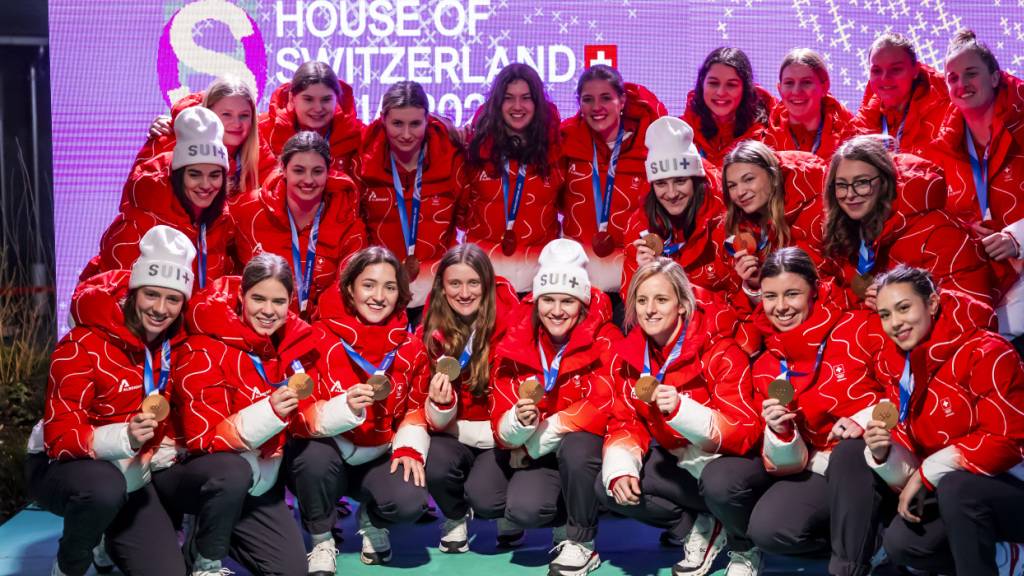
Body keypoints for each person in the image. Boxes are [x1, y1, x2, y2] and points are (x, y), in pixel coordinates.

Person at [701, 247, 887, 576]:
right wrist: (781, 434)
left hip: (876, 460)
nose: (781, 307)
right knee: (770, 530)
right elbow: (790, 464)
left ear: (814, 290)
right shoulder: (767, 365)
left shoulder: (859, 327)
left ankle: (854, 562)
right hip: (819, 467)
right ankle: (872, 541)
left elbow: (901, 392)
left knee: (850, 453)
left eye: (792, 294)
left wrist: (862, 420)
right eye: (770, 296)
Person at [29, 226, 194, 576]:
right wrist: (125, 436)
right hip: (62, 466)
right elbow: (59, 437)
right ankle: (69, 564)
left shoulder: (176, 347)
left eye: (173, 299)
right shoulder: (83, 342)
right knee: (103, 489)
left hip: (134, 476)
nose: (160, 309)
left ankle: (109, 535)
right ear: (133, 293)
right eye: (151, 294)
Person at [599, 257, 759, 576]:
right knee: (610, 485)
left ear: (683, 305)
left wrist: (682, 410)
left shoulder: (721, 349)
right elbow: (625, 422)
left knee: (719, 483)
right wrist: (620, 470)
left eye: (661, 299)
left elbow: (745, 430)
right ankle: (698, 528)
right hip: (683, 466)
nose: (650, 310)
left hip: (731, 465)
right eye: (642, 301)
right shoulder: (630, 358)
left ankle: (745, 547)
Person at [865, 265, 1024, 576]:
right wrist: (884, 454)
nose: (894, 323)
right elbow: (912, 445)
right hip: (957, 489)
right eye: (885, 315)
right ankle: (1007, 557)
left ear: (933, 304)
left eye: (904, 308)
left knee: (957, 488)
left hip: (1013, 484)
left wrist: (928, 471)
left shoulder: (987, 351)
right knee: (903, 544)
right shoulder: (899, 366)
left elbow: (1007, 441)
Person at [172, 253, 318, 576]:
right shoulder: (204, 346)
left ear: (290, 302)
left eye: (278, 301)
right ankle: (205, 554)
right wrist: (270, 412)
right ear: (241, 295)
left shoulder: (293, 346)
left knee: (292, 571)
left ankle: (222, 532)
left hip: (260, 481)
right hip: (209, 474)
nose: (268, 311)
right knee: (231, 474)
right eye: (258, 298)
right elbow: (202, 438)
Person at [286, 246, 429, 572]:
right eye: (368, 285)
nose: (378, 296)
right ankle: (321, 539)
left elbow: (415, 408)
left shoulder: (411, 347)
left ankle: (373, 518)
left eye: (389, 287)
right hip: (327, 457)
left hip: (377, 455)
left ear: (400, 293)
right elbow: (299, 415)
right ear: (349, 289)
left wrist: (409, 447)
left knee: (411, 499)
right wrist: (343, 409)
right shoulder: (315, 338)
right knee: (311, 459)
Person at [486, 239, 617, 575]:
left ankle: (582, 541)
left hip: (582, 451)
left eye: (568, 301)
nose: (557, 311)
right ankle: (563, 514)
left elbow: (605, 403)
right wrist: (517, 423)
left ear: (582, 303)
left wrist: (536, 441)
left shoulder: (605, 336)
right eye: (548, 299)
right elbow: (499, 413)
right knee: (524, 510)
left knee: (578, 446)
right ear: (536, 300)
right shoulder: (517, 336)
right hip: (540, 453)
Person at [394, 243, 524, 552]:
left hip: (499, 436)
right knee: (436, 464)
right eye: (455, 283)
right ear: (442, 287)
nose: (464, 293)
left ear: (487, 285)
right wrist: (441, 404)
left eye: (473, 283)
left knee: (487, 499)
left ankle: (504, 511)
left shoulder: (514, 325)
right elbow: (428, 416)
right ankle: (454, 516)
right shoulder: (429, 331)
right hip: (452, 433)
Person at [821, 135, 1000, 308]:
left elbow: (971, 312)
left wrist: (896, 305)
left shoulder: (940, 234)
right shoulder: (847, 230)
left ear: (885, 182)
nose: (850, 194)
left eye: (861, 182)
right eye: (841, 185)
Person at [931, 29, 1024, 351]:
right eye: (952, 78)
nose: (961, 84)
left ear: (995, 77)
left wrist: (1018, 239)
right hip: (984, 288)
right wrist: (965, 229)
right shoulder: (942, 149)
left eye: (971, 74)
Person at [81, 106, 233, 289]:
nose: (206, 185)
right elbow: (113, 296)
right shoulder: (136, 226)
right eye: (194, 175)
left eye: (215, 175)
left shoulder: (220, 221)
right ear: (178, 175)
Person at [560, 65, 668, 318]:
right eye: (588, 99)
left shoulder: (649, 144)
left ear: (622, 101)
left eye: (606, 98)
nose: (597, 107)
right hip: (578, 280)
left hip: (631, 280)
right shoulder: (567, 141)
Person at [356, 81, 467, 314]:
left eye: (415, 124)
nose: (406, 134)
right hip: (380, 293)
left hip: (439, 294)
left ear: (428, 120)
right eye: (397, 123)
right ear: (383, 119)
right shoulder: (363, 159)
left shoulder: (452, 158)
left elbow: (466, 219)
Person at [230, 131, 365, 318]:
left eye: (317, 171)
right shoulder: (245, 210)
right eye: (299, 171)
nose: (308, 180)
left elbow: (348, 291)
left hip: (321, 327)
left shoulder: (347, 222)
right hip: (257, 324)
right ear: (283, 169)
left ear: (328, 172)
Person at [462, 63, 564, 294]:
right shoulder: (473, 148)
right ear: (497, 103)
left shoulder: (557, 150)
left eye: (526, 98)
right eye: (508, 98)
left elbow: (565, 203)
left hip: (540, 281)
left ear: (537, 103)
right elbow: (460, 209)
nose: (517, 106)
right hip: (483, 279)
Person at [621, 116, 735, 296]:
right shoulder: (639, 226)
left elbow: (739, 297)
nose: (672, 193)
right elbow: (631, 303)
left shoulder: (727, 217)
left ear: (695, 180)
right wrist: (643, 277)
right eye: (661, 184)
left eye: (680, 181)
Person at [721, 140, 829, 306]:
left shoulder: (816, 214)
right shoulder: (738, 228)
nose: (740, 192)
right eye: (732, 186)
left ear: (773, 177)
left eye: (749, 179)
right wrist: (754, 284)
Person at [137, 75, 271, 198]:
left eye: (244, 115)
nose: (237, 124)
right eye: (226, 114)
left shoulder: (259, 152)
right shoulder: (168, 140)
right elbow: (140, 194)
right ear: (207, 112)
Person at [853, 33, 950, 156]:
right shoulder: (867, 118)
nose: (885, 78)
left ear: (915, 70)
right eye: (876, 70)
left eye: (896, 69)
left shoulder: (947, 111)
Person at [259, 61, 363, 175]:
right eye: (308, 99)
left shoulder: (359, 136)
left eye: (326, 99)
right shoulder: (262, 132)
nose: (318, 108)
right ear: (292, 98)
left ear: (337, 99)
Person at [682, 47, 775, 168]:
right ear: (702, 84)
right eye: (713, 83)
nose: (721, 92)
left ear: (745, 88)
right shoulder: (681, 132)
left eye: (731, 85)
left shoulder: (768, 135)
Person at [764, 48, 859, 161]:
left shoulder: (851, 137)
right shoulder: (765, 138)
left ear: (825, 87)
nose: (796, 91)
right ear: (779, 89)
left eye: (806, 82)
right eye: (789, 83)